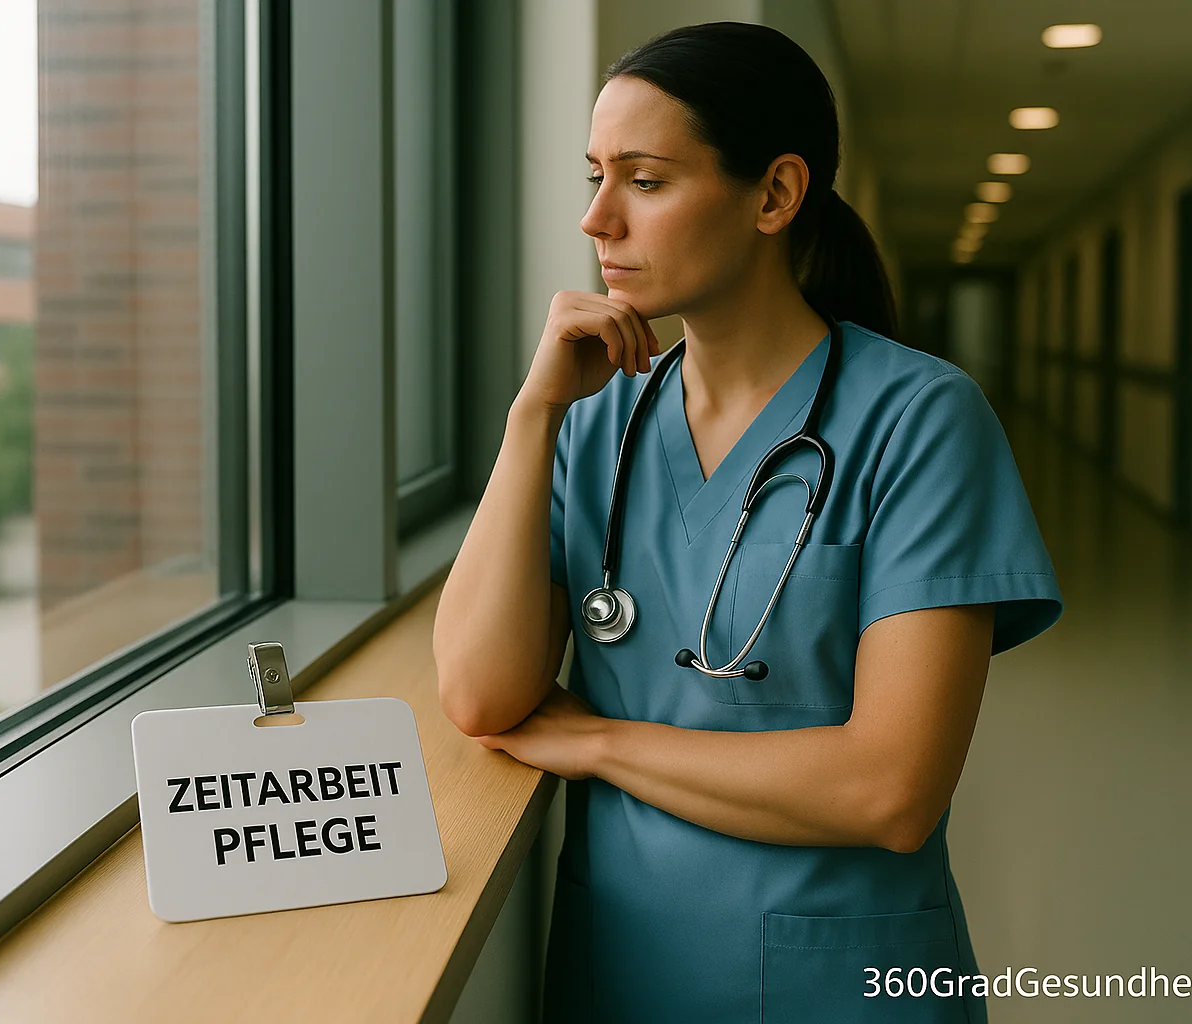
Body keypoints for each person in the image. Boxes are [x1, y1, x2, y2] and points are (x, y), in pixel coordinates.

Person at [433, 21, 1061, 1024]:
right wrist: (531, 416)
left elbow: (892, 790)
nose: (597, 219)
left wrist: (598, 743)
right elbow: (481, 693)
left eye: (644, 180)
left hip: (841, 985)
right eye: (594, 176)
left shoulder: (920, 421)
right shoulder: (593, 425)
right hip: (621, 975)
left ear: (774, 194)